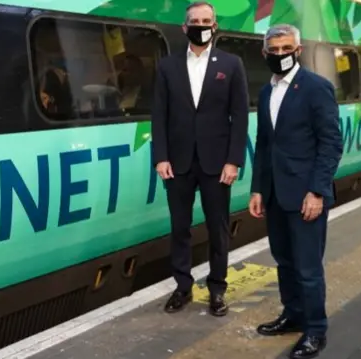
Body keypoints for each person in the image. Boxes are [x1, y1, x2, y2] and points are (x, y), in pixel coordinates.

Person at [249, 24, 343, 359]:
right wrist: (258, 189)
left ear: (298, 50)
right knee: (284, 262)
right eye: (273, 50)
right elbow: (263, 144)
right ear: (264, 53)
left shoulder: (316, 88)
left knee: (307, 267)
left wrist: (317, 192)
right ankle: (293, 315)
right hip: (275, 194)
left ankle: (315, 329)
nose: (279, 55)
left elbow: (331, 144)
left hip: (305, 195)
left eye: (285, 48)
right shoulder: (266, 92)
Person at [151, 1, 249, 317]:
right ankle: (182, 287)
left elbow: (239, 116)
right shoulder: (167, 66)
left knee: (217, 228)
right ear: (185, 27)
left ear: (215, 26)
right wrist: (160, 157)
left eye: (207, 20)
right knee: (180, 227)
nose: (201, 25)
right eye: (195, 20)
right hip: (178, 163)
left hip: (216, 163)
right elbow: (159, 116)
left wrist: (234, 161)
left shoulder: (231, 64)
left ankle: (217, 289)